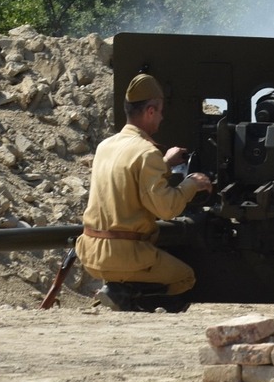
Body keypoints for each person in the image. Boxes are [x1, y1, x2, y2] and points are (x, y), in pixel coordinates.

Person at [75, 74, 213, 312]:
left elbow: (127, 178)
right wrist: (192, 184)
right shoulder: (147, 153)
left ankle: (119, 293)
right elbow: (166, 209)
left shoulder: (105, 146)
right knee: (185, 278)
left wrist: (165, 163)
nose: (161, 116)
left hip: (90, 253)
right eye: (159, 111)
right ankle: (123, 293)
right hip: (123, 256)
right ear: (150, 111)